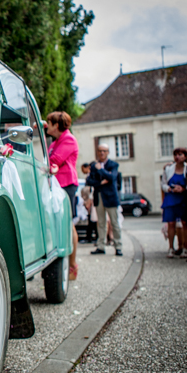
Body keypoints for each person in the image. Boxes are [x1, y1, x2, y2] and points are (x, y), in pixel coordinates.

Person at [46, 111, 80, 279]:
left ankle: (73, 265)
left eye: (49, 123)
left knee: (68, 223)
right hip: (57, 185)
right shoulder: (57, 140)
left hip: (67, 184)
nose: (47, 126)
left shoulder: (68, 139)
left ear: (57, 126)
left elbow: (53, 161)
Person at [86, 143, 123, 256]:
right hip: (98, 197)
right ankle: (101, 246)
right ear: (97, 152)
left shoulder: (113, 164)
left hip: (111, 197)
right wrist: (101, 182)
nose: (102, 153)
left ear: (108, 152)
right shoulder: (93, 166)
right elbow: (89, 181)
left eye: (104, 151)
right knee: (101, 223)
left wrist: (101, 170)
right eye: (100, 150)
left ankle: (118, 246)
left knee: (114, 222)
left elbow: (112, 177)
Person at [161, 147, 187, 258]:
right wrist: (170, 189)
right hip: (171, 198)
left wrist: (183, 189)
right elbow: (163, 184)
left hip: (183, 198)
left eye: (180, 154)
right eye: (175, 155)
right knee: (171, 224)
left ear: (185, 156)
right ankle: (171, 247)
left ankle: (184, 247)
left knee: (185, 223)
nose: (177, 157)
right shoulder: (168, 169)